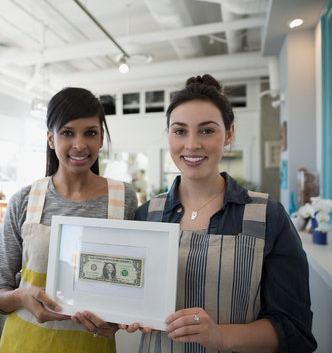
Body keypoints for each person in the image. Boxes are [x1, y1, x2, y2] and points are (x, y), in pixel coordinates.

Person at [123, 74, 316, 352]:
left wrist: (221, 336)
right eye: (180, 131)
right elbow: (132, 298)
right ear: (169, 136)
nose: (191, 145)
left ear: (228, 135)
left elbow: (294, 328)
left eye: (206, 130)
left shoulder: (266, 216)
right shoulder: (146, 215)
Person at [0, 87, 138, 352]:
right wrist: (22, 296)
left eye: (90, 133)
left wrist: (119, 321)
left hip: (91, 346)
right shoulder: (24, 200)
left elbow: (129, 287)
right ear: (50, 138)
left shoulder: (123, 198)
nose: (79, 144)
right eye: (67, 133)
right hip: (25, 343)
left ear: (101, 137)